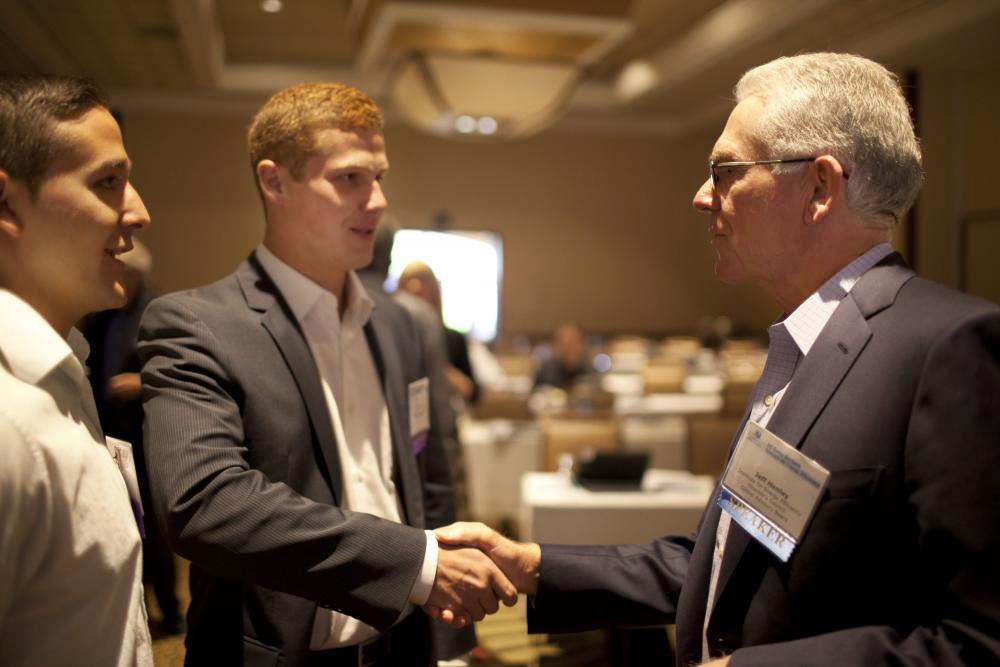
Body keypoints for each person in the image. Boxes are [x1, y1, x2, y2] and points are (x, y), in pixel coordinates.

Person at [437, 52, 1000, 666]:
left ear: (819, 186)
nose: (703, 196)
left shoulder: (949, 348)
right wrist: (535, 564)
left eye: (727, 170)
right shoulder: (802, 347)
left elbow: (978, 638)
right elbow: (729, 567)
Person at [137, 82, 514, 666]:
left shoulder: (405, 325)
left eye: (379, 176)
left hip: (404, 646)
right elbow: (204, 504)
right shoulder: (196, 324)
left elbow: (428, 475)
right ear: (274, 182)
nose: (378, 200)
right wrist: (413, 563)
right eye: (349, 178)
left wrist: (453, 641)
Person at [0, 73, 153, 665]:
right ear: (7, 206)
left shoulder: (60, 371)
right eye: (108, 183)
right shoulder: (10, 420)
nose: (139, 213)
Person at [81, 238, 185, 635]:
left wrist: (142, 382)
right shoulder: (101, 312)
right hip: (108, 435)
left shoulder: (160, 312)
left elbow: (181, 375)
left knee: (156, 530)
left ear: (136, 274)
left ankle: (172, 611)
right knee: (122, 524)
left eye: (120, 269)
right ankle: (136, 605)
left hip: (144, 437)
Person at [398, 261, 480, 405]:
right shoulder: (392, 337)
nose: (415, 287)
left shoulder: (453, 338)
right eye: (408, 281)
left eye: (423, 281)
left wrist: (450, 377)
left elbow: (474, 394)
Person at [532, 323, 591, 391]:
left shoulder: (589, 370)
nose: (568, 349)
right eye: (564, 344)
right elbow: (535, 393)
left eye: (573, 343)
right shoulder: (546, 370)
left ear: (582, 344)